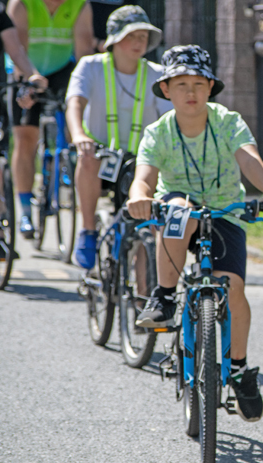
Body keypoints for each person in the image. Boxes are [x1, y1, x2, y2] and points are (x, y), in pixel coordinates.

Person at [125, 45, 263, 422]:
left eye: (198, 83)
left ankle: (241, 370)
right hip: (179, 205)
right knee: (179, 212)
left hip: (224, 211)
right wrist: (139, 198)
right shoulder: (158, 131)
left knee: (234, 288)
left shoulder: (228, 121)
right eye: (180, 83)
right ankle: (165, 297)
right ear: (166, 89)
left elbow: (248, 158)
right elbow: (144, 178)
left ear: (211, 86)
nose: (190, 91)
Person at [65, 5, 172, 269]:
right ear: (114, 39)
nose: (139, 42)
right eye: (131, 35)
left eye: (143, 37)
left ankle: (144, 293)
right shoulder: (90, 66)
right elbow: (75, 103)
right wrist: (79, 134)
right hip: (101, 154)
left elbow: (170, 120)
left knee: (150, 223)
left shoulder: (157, 74)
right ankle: (88, 231)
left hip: (141, 161)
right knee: (87, 158)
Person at [7, 0, 94, 239]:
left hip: (61, 71)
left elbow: (84, 49)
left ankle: (66, 164)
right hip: (26, 71)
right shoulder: (23, 4)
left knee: (74, 117)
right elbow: (18, 48)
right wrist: (28, 83)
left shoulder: (79, 5)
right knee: (25, 139)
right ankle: (25, 209)